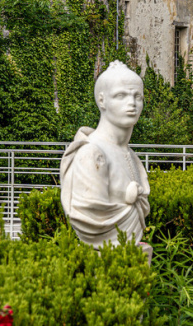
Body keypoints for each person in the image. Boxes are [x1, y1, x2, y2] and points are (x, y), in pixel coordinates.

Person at [59, 61, 150, 248]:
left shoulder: (130, 155)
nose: (132, 103)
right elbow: (92, 215)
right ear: (102, 101)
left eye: (137, 96)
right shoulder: (92, 153)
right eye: (121, 96)